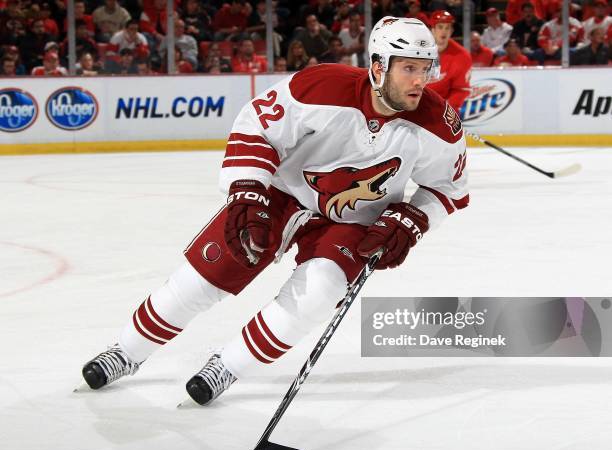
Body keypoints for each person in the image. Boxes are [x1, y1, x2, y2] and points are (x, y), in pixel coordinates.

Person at [80, 16, 469, 407]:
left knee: (320, 293)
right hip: (282, 192)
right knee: (204, 278)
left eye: (425, 68)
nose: (421, 80)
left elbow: (449, 188)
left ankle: (228, 366)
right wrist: (247, 189)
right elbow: (257, 127)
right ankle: (127, 352)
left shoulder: (439, 124)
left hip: (354, 221)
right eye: (409, 69)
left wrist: (413, 218)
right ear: (378, 66)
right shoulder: (321, 85)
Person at [426, 10, 472, 113]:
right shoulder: (417, 50)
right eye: (440, 27)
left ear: (451, 31)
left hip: (443, 109)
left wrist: (446, 109)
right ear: (432, 29)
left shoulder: (462, 56)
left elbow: (460, 89)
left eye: (447, 28)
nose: (444, 31)